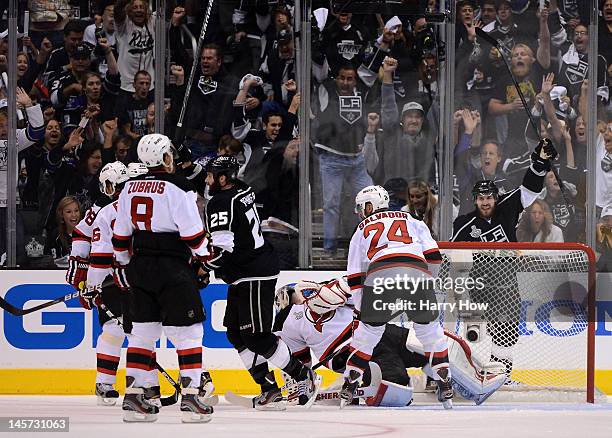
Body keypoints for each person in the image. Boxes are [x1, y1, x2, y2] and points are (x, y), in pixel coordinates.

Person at [202, 155, 319, 409]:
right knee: (236, 333)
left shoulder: (220, 202)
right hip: (245, 272)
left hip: (253, 273)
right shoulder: (242, 188)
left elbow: (223, 251)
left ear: (223, 179)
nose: (207, 179)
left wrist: (201, 267)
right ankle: (269, 390)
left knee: (256, 336)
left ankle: (303, 376)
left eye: (211, 175)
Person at [273, 280, 507, 407]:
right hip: (353, 354)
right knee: (398, 388)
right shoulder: (287, 325)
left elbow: (361, 295)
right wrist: (301, 384)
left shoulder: (326, 291)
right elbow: (299, 362)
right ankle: (365, 387)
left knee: (433, 344)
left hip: (378, 333)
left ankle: (475, 378)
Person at [112, 134, 213, 423]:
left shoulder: (129, 187)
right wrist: (207, 257)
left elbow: (120, 237)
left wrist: (123, 265)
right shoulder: (179, 186)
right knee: (189, 332)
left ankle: (134, 397)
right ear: (167, 157)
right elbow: (193, 235)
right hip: (173, 267)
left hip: (140, 265)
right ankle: (192, 396)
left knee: (142, 333)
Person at [451, 139, 555, 380]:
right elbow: (451, 254)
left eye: (489, 198)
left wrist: (539, 163)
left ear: (495, 198)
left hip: (507, 283)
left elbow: (529, 191)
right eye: (481, 199)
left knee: (507, 332)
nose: (485, 202)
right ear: (475, 200)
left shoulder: (507, 207)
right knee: (471, 332)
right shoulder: (464, 224)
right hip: (477, 285)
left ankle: (501, 376)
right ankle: (462, 372)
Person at [342, 185, 453, 408]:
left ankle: (350, 385)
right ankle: (445, 382)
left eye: (362, 207)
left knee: (368, 334)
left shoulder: (361, 228)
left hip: (381, 274)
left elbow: (354, 276)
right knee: (430, 331)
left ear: (371, 205)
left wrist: (361, 308)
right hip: (417, 272)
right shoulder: (412, 218)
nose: (360, 212)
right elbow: (433, 256)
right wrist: (425, 283)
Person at [67, 162, 161, 405]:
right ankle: (106, 383)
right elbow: (86, 240)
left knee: (141, 331)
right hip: (116, 280)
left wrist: (90, 284)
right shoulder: (104, 210)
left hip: (138, 280)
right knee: (116, 328)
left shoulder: (126, 208)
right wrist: (87, 277)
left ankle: (148, 385)